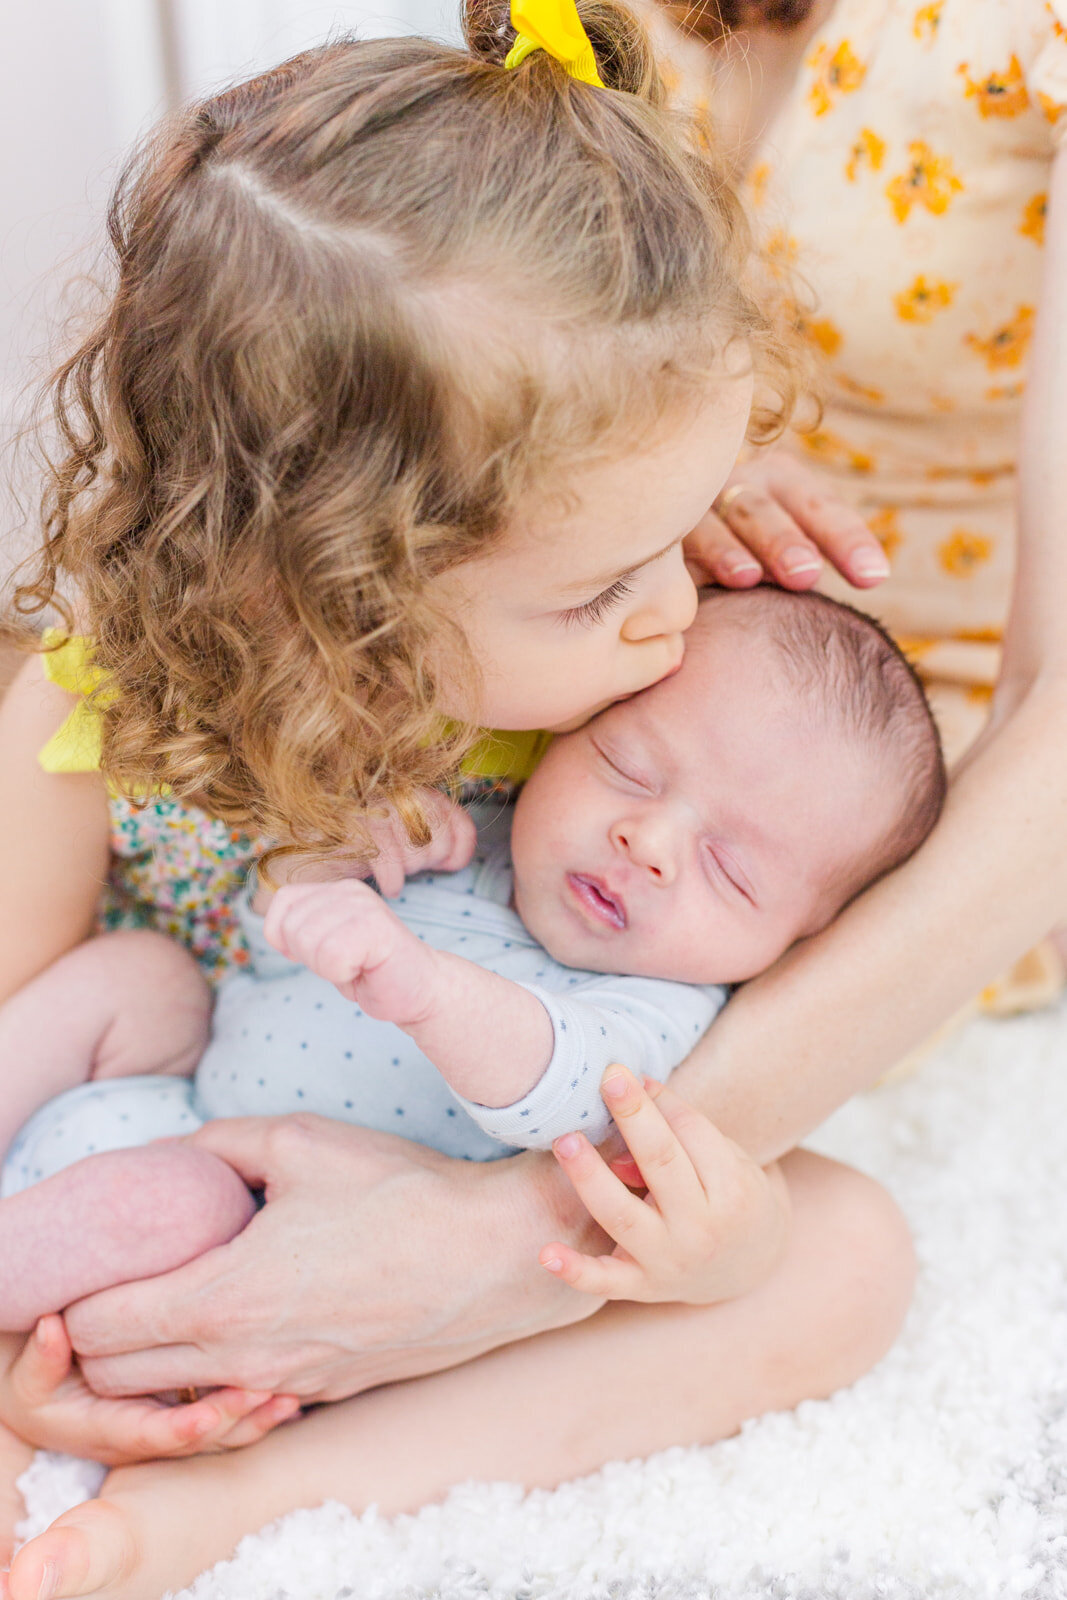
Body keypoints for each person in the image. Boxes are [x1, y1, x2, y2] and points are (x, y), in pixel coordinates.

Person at [0, 0, 899, 1559]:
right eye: (603, 579)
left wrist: (704, 1241)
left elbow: (697, 1069)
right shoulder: (93, 711)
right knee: (117, 987)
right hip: (188, 1172)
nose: (675, 614)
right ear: (328, 588)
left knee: (844, 1254)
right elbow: (26, 1021)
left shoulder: (635, 712)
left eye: (683, 526)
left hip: (484, 1205)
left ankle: (241, 1503)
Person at [0, 586, 945, 1334]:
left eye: (731, 871)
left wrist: (427, 990)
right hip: (163, 1095)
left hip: (249, 1222)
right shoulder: (479, 833)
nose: (647, 840)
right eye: (627, 768)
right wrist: (324, 865)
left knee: (176, 1198)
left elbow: (568, 1088)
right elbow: (263, 952)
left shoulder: (664, 1006)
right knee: (141, 975)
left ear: (797, 940)